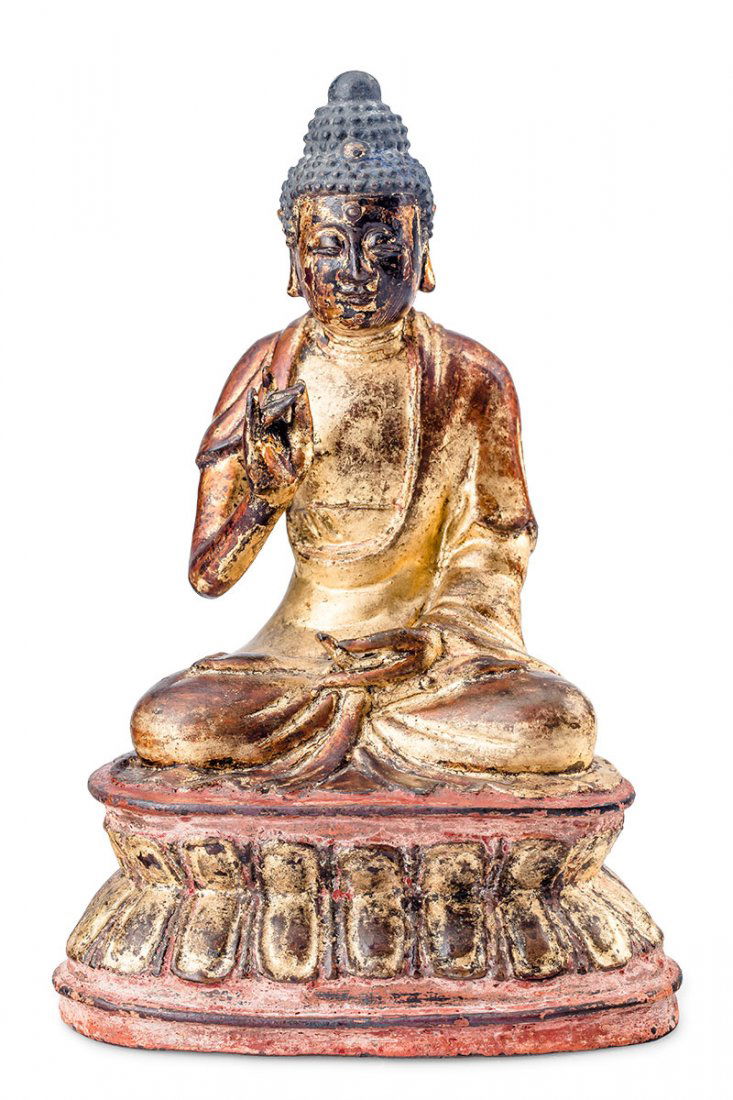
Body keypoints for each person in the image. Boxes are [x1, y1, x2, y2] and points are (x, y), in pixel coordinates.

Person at [131, 72, 595, 788]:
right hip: (295, 659)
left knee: (552, 723)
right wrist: (264, 501)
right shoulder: (268, 372)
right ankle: (369, 746)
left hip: (431, 661)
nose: (354, 272)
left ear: (422, 245)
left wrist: (436, 643)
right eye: (328, 245)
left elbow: (495, 542)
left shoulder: (471, 376)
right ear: (293, 255)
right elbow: (208, 575)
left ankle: (363, 742)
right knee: (173, 722)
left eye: (381, 244)